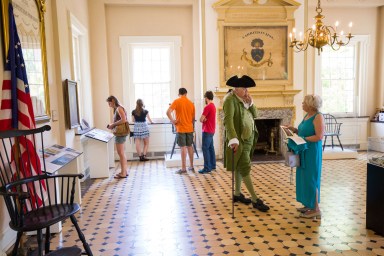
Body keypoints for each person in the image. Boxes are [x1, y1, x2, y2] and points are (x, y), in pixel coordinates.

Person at [223, 75, 270, 212]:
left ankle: (237, 194)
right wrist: (233, 139)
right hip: (239, 140)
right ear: (237, 89)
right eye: (245, 89)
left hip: (249, 138)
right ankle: (255, 199)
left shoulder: (244, 99)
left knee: (239, 166)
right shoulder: (230, 100)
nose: (247, 91)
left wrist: (251, 103)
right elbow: (228, 121)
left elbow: (255, 115)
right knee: (245, 167)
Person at [287, 95, 324, 219]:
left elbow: (319, 137)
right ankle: (308, 204)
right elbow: (305, 131)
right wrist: (295, 131)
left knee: (311, 178)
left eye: (304, 103)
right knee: (303, 178)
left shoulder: (318, 117)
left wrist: (302, 139)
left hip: (312, 152)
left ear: (310, 104)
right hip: (303, 150)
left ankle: (316, 209)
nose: (302, 104)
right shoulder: (307, 115)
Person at [166, 88, 195, 174]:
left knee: (183, 147)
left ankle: (183, 168)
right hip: (189, 128)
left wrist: (173, 120)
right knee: (190, 146)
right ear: (186, 94)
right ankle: (191, 166)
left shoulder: (176, 101)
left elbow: (168, 112)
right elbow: (193, 118)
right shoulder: (191, 103)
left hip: (181, 128)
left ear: (179, 94)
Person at [106, 96, 129, 179]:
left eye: (109, 103)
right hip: (120, 133)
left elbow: (124, 120)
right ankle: (124, 171)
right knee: (122, 153)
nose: (109, 105)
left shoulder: (119, 108)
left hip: (120, 133)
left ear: (113, 101)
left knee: (121, 153)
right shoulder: (119, 108)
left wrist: (113, 125)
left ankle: (123, 173)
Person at [198, 91, 216, 174]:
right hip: (212, 130)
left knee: (205, 148)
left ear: (206, 98)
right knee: (211, 148)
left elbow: (201, 119)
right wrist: (205, 119)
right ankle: (212, 165)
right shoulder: (213, 106)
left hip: (207, 130)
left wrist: (204, 119)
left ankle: (207, 168)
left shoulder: (207, 107)